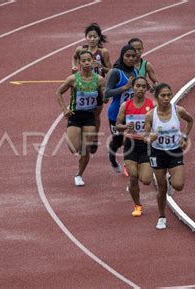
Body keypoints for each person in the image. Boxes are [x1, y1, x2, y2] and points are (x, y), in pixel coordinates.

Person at [143, 83, 194, 229]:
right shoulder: (150, 115)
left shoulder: (178, 110)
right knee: (162, 188)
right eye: (163, 96)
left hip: (174, 151)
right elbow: (145, 136)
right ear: (157, 97)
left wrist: (184, 137)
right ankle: (161, 216)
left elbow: (190, 120)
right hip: (157, 153)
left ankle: (172, 181)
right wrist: (150, 138)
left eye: (169, 95)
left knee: (178, 185)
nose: (166, 98)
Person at [57, 50, 105, 186]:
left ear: (92, 61)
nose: (86, 63)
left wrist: (108, 95)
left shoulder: (99, 79)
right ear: (79, 63)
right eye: (83, 61)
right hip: (75, 115)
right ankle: (77, 142)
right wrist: (64, 109)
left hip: (90, 116)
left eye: (88, 60)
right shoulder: (73, 79)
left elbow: (104, 97)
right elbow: (58, 92)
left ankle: (79, 174)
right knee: (74, 148)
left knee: (85, 149)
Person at [115, 76, 154, 217]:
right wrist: (125, 126)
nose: (140, 89)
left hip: (145, 145)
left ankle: (148, 170)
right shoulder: (126, 105)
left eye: (143, 86)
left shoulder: (152, 105)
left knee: (146, 180)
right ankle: (137, 205)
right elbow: (118, 125)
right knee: (133, 177)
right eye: (138, 86)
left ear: (146, 89)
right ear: (133, 87)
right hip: (131, 144)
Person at [72, 23, 112, 154]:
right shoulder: (80, 50)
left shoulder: (103, 52)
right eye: (90, 36)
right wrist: (74, 67)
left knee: (95, 115)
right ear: (85, 37)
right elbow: (74, 57)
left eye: (95, 36)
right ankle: (82, 138)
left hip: (97, 87)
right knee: (81, 112)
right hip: (82, 85)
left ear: (99, 37)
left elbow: (110, 70)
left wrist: (100, 66)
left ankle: (94, 137)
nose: (92, 39)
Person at [104, 44, 138, 173]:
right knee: (118, 141)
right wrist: (124, 88)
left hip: (132, 114)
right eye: (127, 56)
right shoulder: (115, 72)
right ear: (122, 56)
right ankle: (112, 159)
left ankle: (127, 164)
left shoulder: (135, 71)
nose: (130, 59)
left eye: (133, 56)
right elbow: (107, 93)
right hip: (116, 114)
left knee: (131, 139)